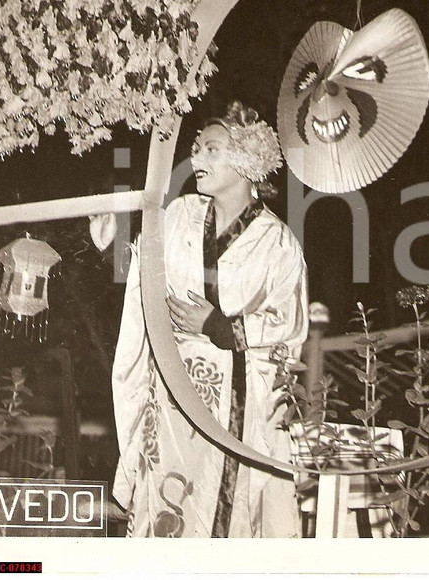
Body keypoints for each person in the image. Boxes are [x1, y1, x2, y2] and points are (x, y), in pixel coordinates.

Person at [111, 101, 308, 537]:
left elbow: (288, 322)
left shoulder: (277, 243)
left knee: (220, 512)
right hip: (172, 393)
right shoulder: (179, 215)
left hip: (235, 399)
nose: (196, 159)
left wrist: (221, 327)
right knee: (164, 505)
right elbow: (143, 272)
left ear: (248, 158)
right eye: (196, 149)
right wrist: (111, 238)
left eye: (211, 149)